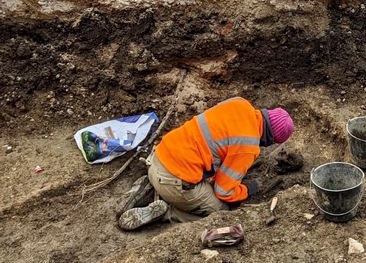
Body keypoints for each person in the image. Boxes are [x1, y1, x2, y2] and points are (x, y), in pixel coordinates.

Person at [118, 97, 294, 230]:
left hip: (158, 157)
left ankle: (151, 187)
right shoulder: (248, 146)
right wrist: (247, 190)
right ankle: (168, 212)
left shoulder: (239, 103)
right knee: (222, 212)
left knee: (194, 173)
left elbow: (214, 143)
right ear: (271, 139)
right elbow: (224, 191)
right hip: (174, 181)